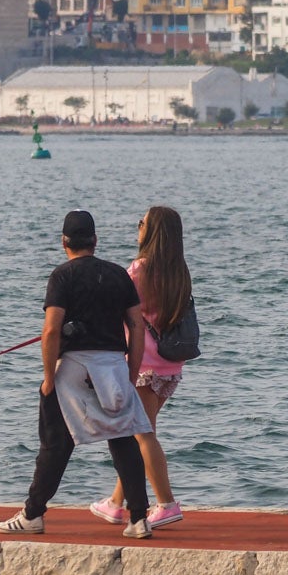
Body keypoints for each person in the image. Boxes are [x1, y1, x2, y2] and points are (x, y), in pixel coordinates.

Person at [0, 209, 156, 539]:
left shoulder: (62, 276)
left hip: (73, 369)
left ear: (64, 243)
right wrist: (131, 372)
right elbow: (137, 327)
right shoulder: (118, 276)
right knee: (124, 439)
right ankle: (139, 519)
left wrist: (49, 379)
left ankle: (33, 514)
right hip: (112, 367)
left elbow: (52, 330)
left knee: (55, 443)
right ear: (95, 241)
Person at [89, 206, 192, 529]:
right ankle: (117, 502)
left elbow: (114, 307)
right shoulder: (179, 271)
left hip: (144, 366)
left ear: (153, 231)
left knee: (142, 434)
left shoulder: (139, 270)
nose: (138, 227)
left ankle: (166, 503)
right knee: (137, 433)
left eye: (142, 223)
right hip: (169, 365)